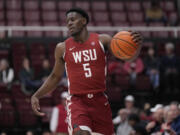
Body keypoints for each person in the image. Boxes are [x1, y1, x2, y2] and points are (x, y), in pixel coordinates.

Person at [31, 8, 142, 135]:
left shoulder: (102, 40)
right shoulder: (62, 48)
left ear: (83, 21)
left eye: (73, 20)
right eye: (67, 21)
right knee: (81, 133)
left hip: (100, 101)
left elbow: (127, 57)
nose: (69, 23)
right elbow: (55, 76)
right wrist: (37, 95)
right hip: (78, 101)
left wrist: (136, 47)